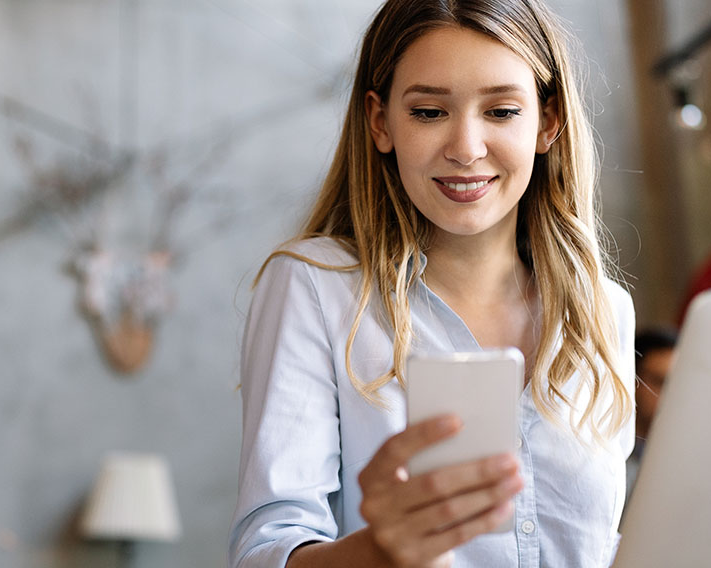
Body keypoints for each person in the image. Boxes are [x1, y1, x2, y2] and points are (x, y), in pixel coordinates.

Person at [229, 1, 635, 566]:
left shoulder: (602, 310)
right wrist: (379, 551)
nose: (466, 148)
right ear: (380, 122)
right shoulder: (316, 288)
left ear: (548, 122)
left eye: (500, 111)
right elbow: (263, 550)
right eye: (427, 112)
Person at [624, 327, 677, 500]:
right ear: (632, 381)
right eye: (660, 382)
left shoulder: (686, 459)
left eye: (677, 384)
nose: (671, 394)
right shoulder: (605, 455)